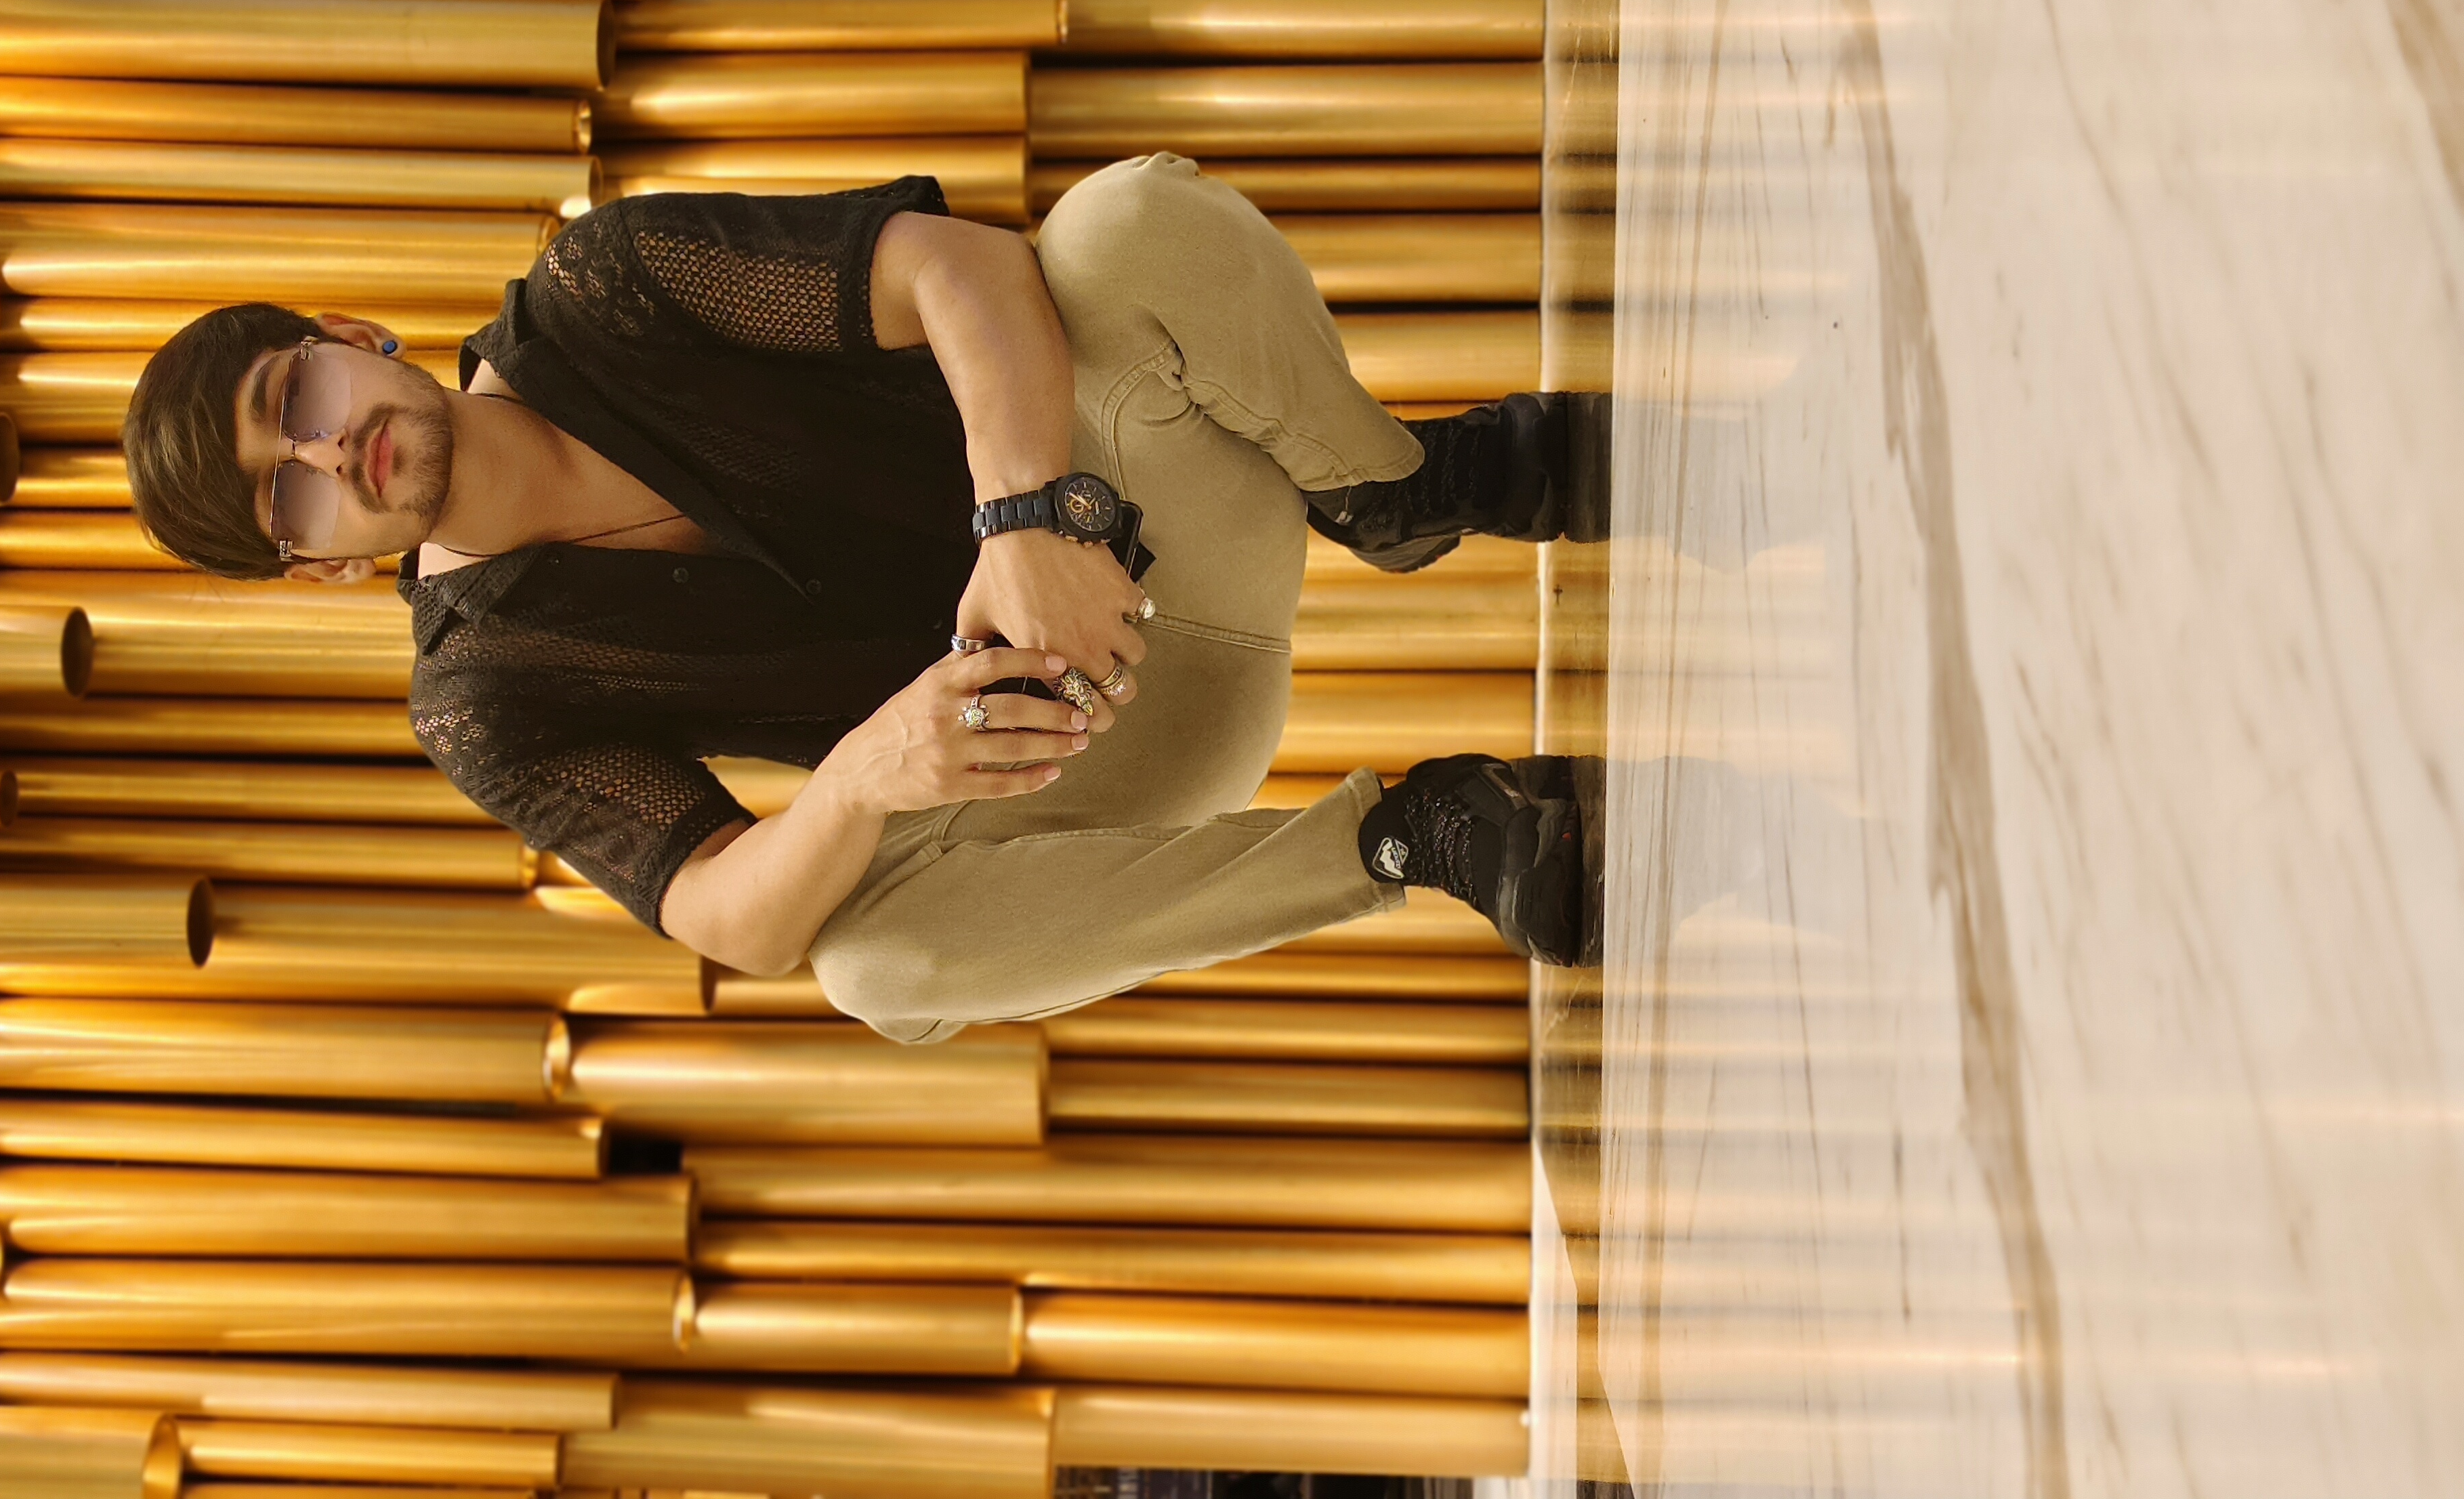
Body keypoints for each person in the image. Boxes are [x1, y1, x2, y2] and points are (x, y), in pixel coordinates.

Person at [121, 154, 1608, 1044]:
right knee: (871, 962)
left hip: (1164, 499)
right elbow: (724, 913)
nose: (329, 453)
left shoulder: (598, 288)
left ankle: (1399, 489)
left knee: (1121, 223)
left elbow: (959, 270)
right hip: (1102, 739)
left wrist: (1025, 516)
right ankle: (1413, 835)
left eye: (294, 399)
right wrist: (866, 774)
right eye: (287, 496)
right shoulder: (479, 692)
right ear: (322, 566)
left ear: (346, 335)